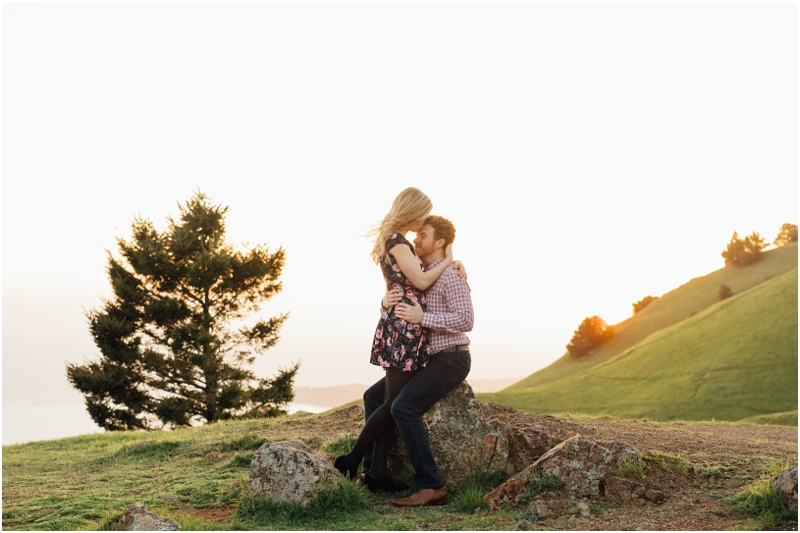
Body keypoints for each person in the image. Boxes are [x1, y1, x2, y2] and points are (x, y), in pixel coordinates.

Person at [333, 188, 456, 488]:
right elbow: (423, 280)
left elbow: (403, 282)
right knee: (392, 404)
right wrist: (450, 259)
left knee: (388, 401)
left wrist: (387, 298)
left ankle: (376, 474)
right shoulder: (399, 242)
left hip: (400, 325)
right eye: (423, 213)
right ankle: (352, 460)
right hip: (404, 330)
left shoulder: (389, 240)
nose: (425, 219)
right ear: (412, 212)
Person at [363, 215, 474, 507]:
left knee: (403, 407)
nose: (416, 240)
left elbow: (467, 319)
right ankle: (374, 472)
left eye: (423, 235)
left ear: (440, 242)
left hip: (451, 359)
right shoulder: (424, 272)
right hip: (424, 360)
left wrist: (424, 318)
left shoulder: (452, 275)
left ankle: (430, 486)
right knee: (372, 397)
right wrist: (386, 300)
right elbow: (402, 297)